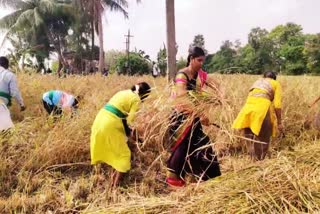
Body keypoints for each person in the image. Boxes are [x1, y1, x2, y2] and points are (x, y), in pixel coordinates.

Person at [165, 46, 221, 187]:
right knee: (182, 147)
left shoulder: (200, 75)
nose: (201, 63)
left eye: (203, 61)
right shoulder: (181, 76)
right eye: (199, 60)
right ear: (191, 59)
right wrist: (200, 115)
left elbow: (216, 85)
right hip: (181, 118)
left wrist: (220, 97)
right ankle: (173, 179)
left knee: (202, 144)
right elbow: (182, 99)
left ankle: (208, 176)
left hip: (194, 117)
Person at [90, 82, 151, 188]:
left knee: (115, 151)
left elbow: (122, 118)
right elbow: (129, 121)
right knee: (124, 155)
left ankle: (112, 181)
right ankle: (115, 187)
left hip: (100, 119)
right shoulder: (136, 100)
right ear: (144, 95)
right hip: (110, 124)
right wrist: (136, 138)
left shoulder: (123, 92)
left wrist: (132, 135)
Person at [232, 71, 283, 160]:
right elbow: (277, 105)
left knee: (249, 138)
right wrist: (279, 122)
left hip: (247, 109)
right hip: (262, 110)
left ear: (264, 77)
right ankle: (260, 161)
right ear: (274, 78)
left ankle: (252, 159)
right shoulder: (276, 83)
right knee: (263, 137)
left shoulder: (257, 82)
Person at [0, 56, 25, 131]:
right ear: (7, 65)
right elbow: (14, 92)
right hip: (1, 105)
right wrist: (21, 104)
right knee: (6, 131)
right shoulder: (9, 75)